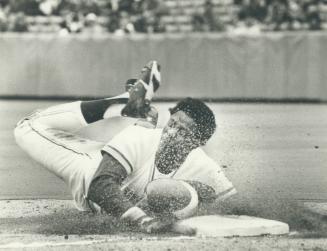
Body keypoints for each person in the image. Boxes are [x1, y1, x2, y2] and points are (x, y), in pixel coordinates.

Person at [14, 61, 236, 234]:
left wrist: (193, 189)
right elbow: (100, 186)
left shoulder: (204, 166)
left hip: (128, 160)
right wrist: (142, 219)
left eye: (183, 131)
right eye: (172, 123)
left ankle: (138, 113)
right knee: (29, 126)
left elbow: (233, 207)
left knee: (158, 180)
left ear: (199, 142)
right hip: (90, 170)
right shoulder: (142, 139)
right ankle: (122, 102)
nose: (172, 133)